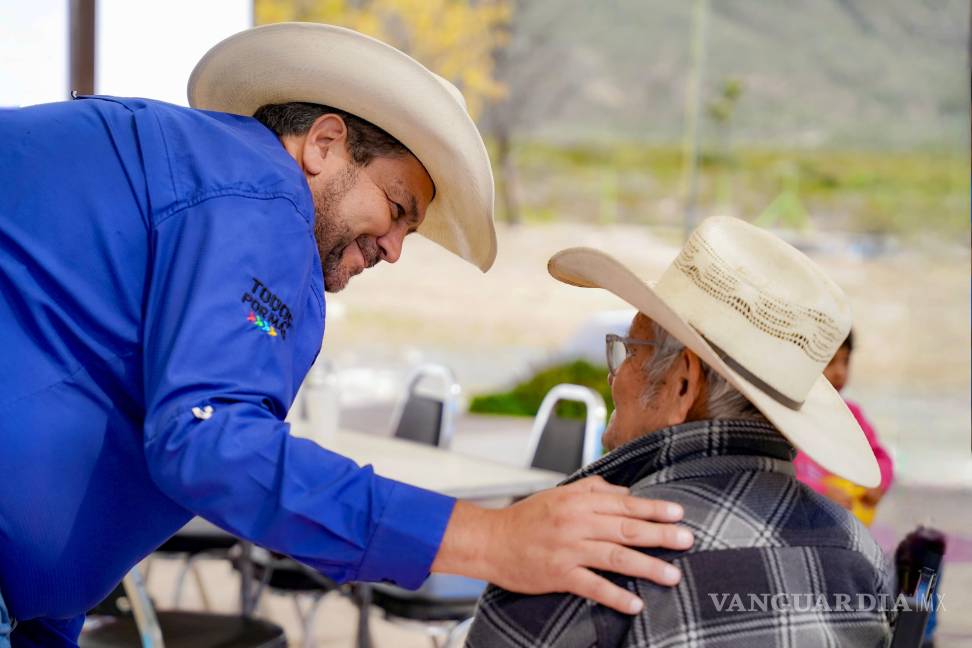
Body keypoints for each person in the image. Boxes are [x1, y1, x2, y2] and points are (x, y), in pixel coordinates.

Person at [0, 24, 692, 646]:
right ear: (324, 145)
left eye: (407, 233)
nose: (393, 250)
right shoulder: (262, 191)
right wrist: (493, 536)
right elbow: (211, 441)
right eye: (396, 209)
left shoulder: (200, 180)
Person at [467, 216, 893, 647]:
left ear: (682, 383)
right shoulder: (861, 554)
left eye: (629, 351)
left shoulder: (576, 552)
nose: (615, 377)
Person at [793, 330, 894, 525]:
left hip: (847, 527)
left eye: (845, 361)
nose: (840, 372)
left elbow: (879, 457)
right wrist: (819, 493)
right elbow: (778, 479)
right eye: (830, 362)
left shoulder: (852, 415)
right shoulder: (788, 417)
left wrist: (878, 483)